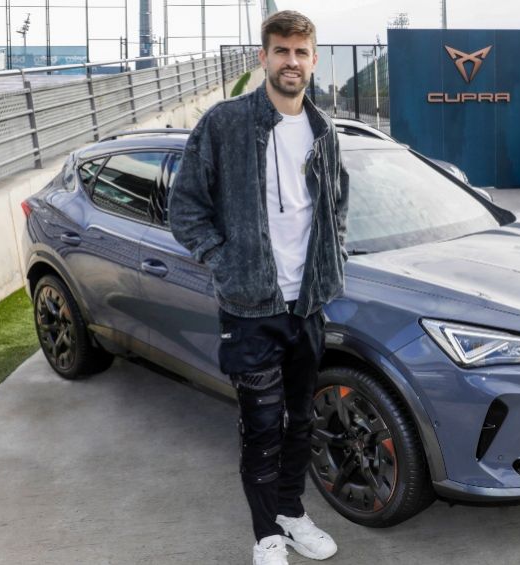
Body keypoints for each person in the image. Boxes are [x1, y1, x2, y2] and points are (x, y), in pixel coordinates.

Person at [168, 10, 348, 565]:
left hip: (307, 305)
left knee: (300, 420)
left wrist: (331, 258)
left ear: (314, 61)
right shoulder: (224, 124)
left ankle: (292, 514)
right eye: (280, 51)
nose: (291, 61)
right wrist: (226, 264)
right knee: (262, 425)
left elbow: (337, 207)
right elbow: (185, 207)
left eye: (301, 52)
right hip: (250, 308)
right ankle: (266, 533)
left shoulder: (324, 132)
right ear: (263, 57)